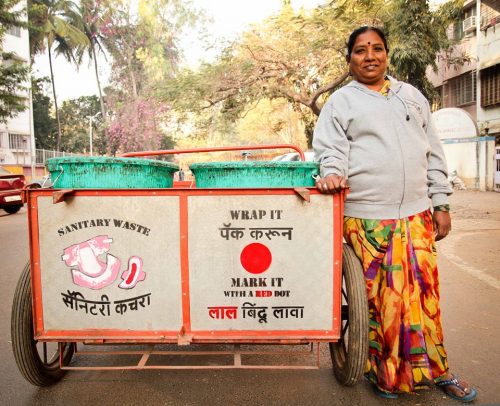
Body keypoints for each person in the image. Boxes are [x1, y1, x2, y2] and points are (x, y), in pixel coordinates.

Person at [312, 26, 477, 402]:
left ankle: (439, 372)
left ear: (387, 54)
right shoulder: (341, 103)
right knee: (382, 303)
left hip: (417, 214)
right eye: (360, 50)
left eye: (377, 48)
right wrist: (333, 172)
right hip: (367, 218)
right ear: (349, 59)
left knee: (424, 299)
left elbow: (433, 151)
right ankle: (386, 375)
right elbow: (330, 150)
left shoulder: (412, 96)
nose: (370, 56)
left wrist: (442, 202)